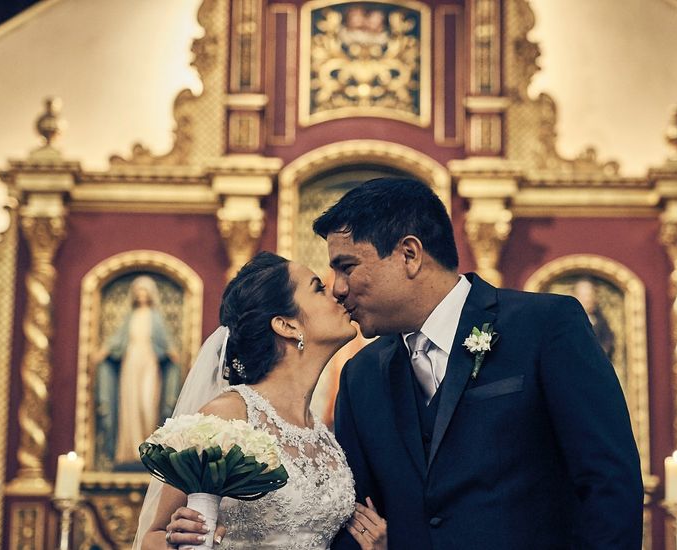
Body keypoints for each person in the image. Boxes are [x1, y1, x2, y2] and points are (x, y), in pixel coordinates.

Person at [313, 177, 644, 549]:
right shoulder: (361, 375)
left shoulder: (546, 326)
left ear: (409, 254)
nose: (338, 288)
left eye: (347, 266)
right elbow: (356, 516)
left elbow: (609, 484)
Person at [135, 252, 388, 550]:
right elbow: (153, 536)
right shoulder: (225, 417)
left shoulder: (322, 433)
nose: (336, 293)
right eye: (318, 288)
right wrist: (181, 538)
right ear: (287, 325)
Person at [93, 275, 181, 468]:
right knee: (130, 404)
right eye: (138, 291)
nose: (141, 295)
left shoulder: (155, 317)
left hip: (150, 363)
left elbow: (164, 340)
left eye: (145, 291)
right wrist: (105, 350)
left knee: (147, 403)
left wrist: (171, 351)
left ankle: (149, 446)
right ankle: (129, 450)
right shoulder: (130, 317)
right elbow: (118, 339)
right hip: (130, 363)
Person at [570, 277, 615, 360]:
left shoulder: (600, 320)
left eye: (590, 295)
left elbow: (607, 340)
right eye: (584, 296)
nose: (588, 299)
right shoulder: (567, 320)